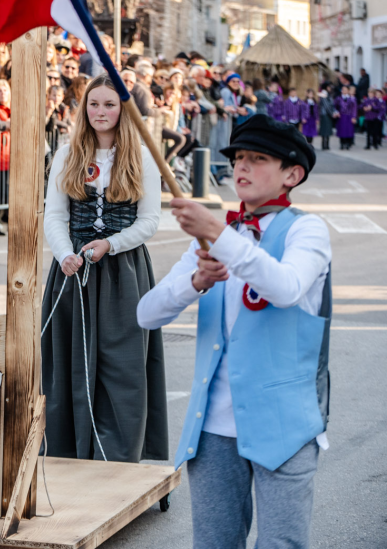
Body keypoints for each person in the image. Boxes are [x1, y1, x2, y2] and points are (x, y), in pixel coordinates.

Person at [139, 114, 328, 549]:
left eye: (258, 158)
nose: (241, 166)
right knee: (214, 544)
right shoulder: (215, 238)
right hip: (213, 430)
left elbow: (286, 288)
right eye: (238, 157)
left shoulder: (307, 229)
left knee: (281, 544)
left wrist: (217, 234)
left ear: (292, 174)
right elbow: (146, 315)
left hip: (285, 425)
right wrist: (195, 282)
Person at [41, 74, 167, 463]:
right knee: (68, 362)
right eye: (93, 104)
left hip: (123, 272)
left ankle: (117, 455)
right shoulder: (67, 153)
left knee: (121, 365)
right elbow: (55, 216)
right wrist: (65, 254)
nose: (100, 111)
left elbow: (149, 221)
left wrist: (111, 244)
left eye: (109, 104)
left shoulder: (142, 156)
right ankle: (67, 450)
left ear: (122, 109)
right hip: (72, 271)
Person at [334, 84, 357, 150]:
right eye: (343, 89)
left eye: (346, 90)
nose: (344, 91)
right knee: (342, 130)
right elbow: (335, 107)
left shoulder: (351, 99)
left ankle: (347, 143)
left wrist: (354, 117)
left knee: (348, 130)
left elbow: (354, 108)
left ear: (348, 90)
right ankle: (342, 143)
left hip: (349, 116)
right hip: (341, 116)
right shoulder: (338, 98)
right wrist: (336, 112)